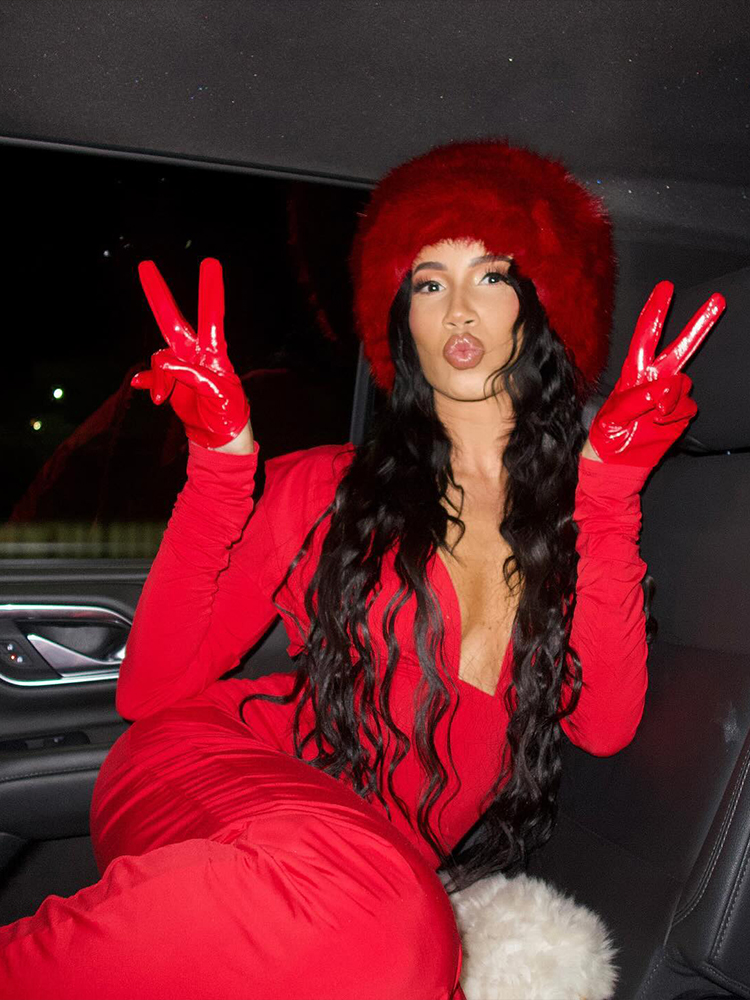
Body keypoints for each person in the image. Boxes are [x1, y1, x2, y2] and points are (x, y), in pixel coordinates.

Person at [0, 140, 725, 1000]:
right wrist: (221, 467)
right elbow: (150, 693)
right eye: (429, 284)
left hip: (371, 884)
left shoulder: (575, 529)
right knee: (386, 921)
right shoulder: (327, 489)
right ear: (403, 320)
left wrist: (609, 492)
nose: (459, 308)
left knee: (387, 940)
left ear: (541, 306)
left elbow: (601, 726)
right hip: (218, 773)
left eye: (491, 275)